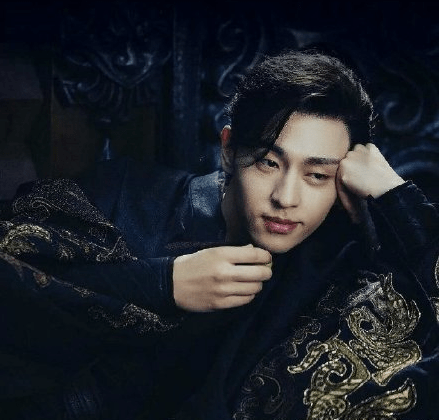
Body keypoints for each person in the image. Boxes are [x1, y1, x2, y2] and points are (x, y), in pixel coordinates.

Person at [0, 50, 437, 419]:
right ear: (229, 150)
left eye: (317, 175)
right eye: (268, 162)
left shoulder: (337, 267)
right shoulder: (126, 195)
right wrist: (164, 284)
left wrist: (396, 195)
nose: (286, 198)